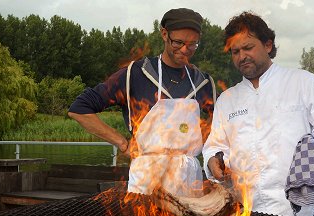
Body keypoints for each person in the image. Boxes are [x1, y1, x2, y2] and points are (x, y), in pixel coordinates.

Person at [203, 11, 314, 216]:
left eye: (248, 47)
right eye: (235, 51)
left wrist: (313, 148)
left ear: (268, 45)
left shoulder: (302, 82)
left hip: (294, 209)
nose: (242, 56)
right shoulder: (227, 98)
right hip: (242, 210)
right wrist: (212, 161)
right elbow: (214, 146)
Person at [68, 8, 216, 197]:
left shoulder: (202, 82)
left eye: (193, 44)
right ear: (164, 34)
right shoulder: (135, 74)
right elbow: (79, 109)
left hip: (188, 180)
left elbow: (219, 128)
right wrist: (122, 143)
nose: (185, 50)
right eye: (178, 42)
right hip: (147, 178)